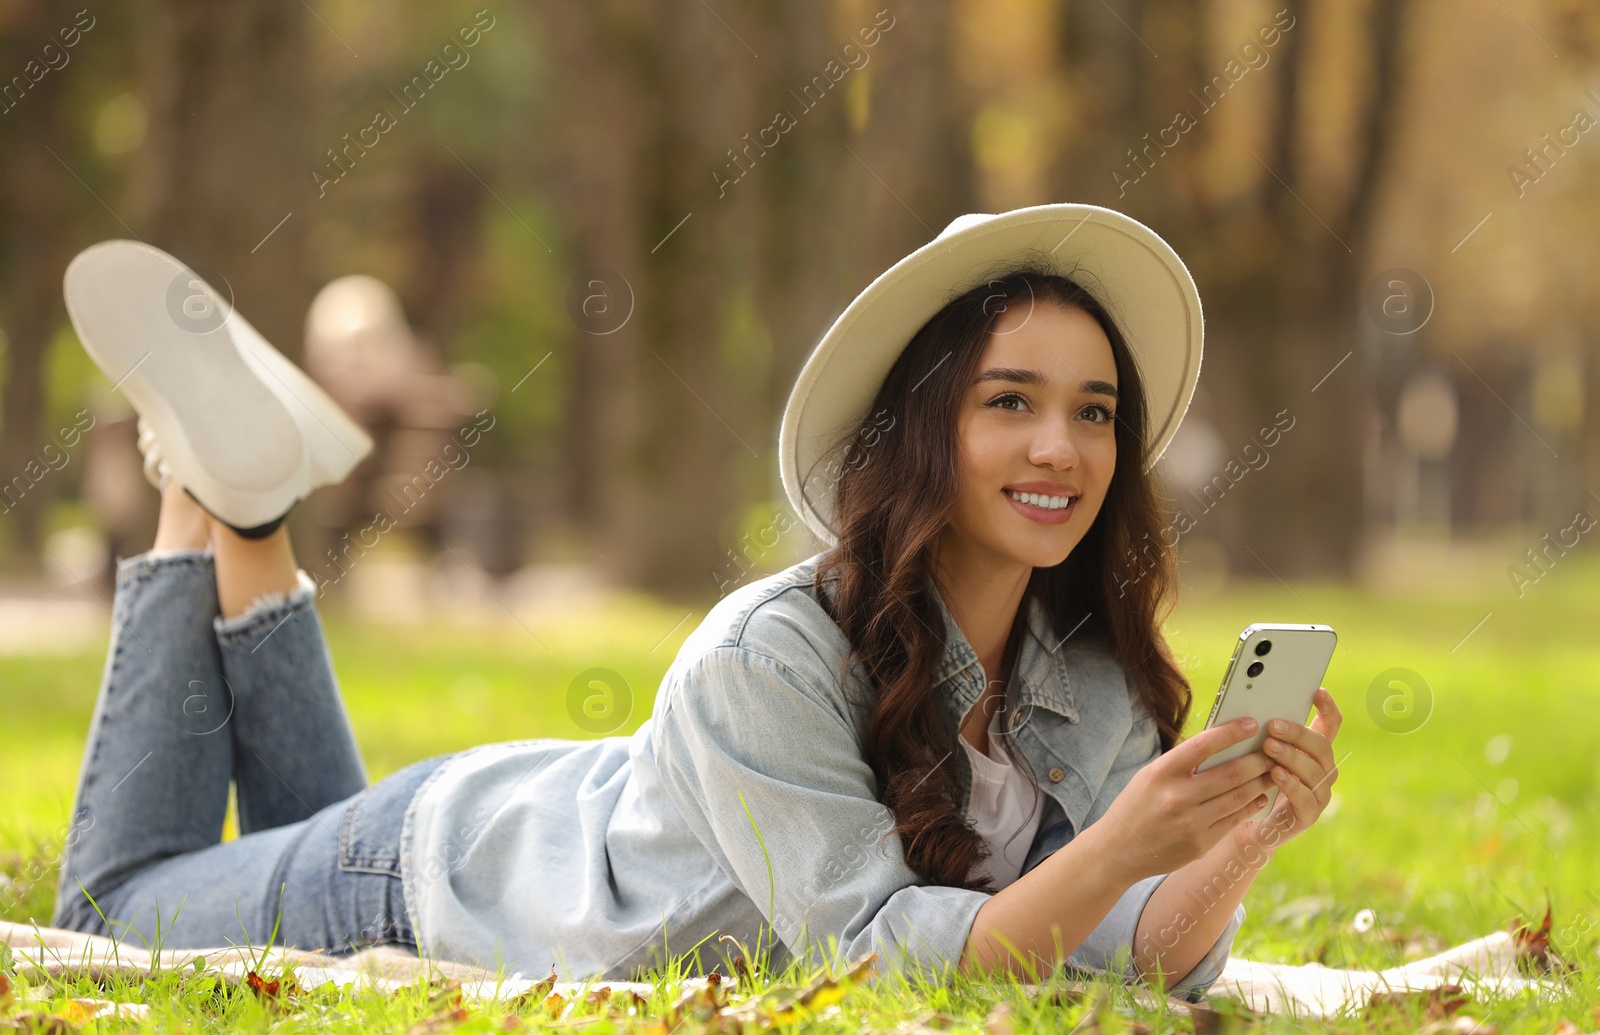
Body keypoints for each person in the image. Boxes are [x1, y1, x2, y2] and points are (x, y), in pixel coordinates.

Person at [50, 207, 1341, 1000]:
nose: (1061, 446)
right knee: (109, 913)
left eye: (1094, 411)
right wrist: (1123, 842)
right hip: (430, 876)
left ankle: (247, 509)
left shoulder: (1091, 675)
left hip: (517, 822)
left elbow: (1122, 958)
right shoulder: (770, 654)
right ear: (920, 430)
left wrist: (1237, 837)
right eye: (1011, 400)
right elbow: (881, 964)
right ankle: (200, 498)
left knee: (266, 837)